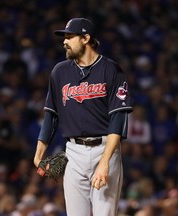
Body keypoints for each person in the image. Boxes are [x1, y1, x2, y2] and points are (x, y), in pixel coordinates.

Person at [33, 17, 133, 216]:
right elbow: (51, 116)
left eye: (70, 36)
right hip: (73, 152)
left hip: (105, 149)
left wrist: (105, 162)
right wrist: (38, 156)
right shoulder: (59, 72)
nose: (64, 42)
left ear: (86, 38)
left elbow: (119, 118)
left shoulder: (111, 70)